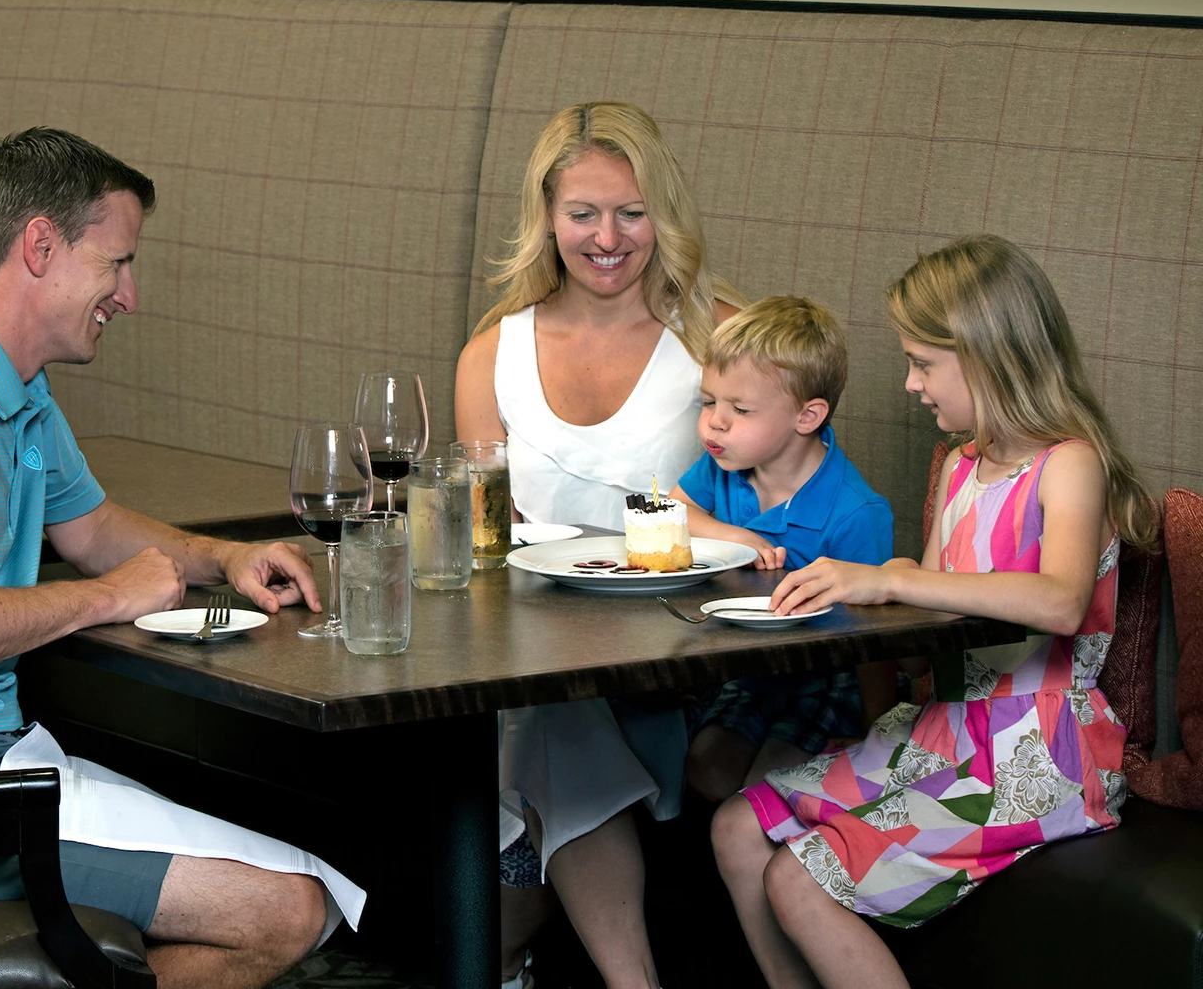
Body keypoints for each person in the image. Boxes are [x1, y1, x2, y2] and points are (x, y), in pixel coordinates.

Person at [0, 127, 363, 989]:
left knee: (300, 893)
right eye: (116, 262)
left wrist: (221, 557)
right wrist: (104, 598)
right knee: (283, 909)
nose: (130, 293)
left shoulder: (15, 386)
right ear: (40, 245)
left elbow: (93, 530)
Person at [711, 234, 1157, 989]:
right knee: (735, 828)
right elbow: (939, 625)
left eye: (924, 363)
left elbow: (1060, 599)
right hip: (940, 731)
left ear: (988, 355)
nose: (913, 385)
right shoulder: (958, 465)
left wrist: (898, 578)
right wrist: (868, 602)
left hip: (1039, 751)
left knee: (798, 878)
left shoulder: (1070, 463)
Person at [455, 101, 742, 989]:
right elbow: (482, 545)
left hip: (676, 668)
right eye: (583, 213)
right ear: (546, 216)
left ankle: (506, 961)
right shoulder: (490, 356)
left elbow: (787, 516)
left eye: (632, 210)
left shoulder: (721, 340)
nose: (607, 237)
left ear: (665, 211)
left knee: (535, 731)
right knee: (541, 708)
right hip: (527, 668)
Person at [673, 296, 898, 804]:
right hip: (752, 671)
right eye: (709, 402)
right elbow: (672, 515)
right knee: (703, 767)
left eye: (740, 409)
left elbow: (877, 644)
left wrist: (877, 736)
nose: (715, 423)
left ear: (806, 415)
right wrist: (736, 537)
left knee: (769, 788)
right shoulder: (722, 466)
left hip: (829, 675)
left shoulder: (853, 513)